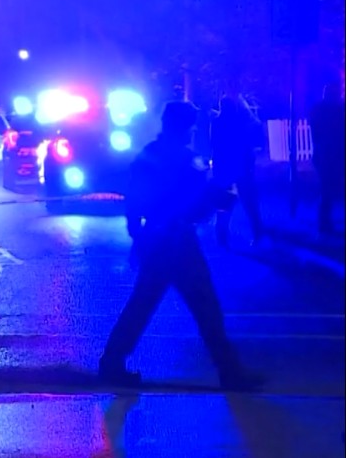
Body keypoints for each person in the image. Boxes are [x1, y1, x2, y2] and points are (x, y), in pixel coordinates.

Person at [100, 101, 264, 391]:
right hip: (178, 242)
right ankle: (230, 372)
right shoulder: (186, 159)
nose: (193, 131)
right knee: (206, 308)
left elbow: (135, 197)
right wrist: (221, 197)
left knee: (142, 305)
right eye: (190, 126)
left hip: (157, 240)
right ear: (182, 126)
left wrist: (137, 233)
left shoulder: (150, 154)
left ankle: (111, 363)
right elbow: (194, 203)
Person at [211, 94, 264, 246]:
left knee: (224, 204)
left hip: (225, 168)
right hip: (241, 168)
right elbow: (248, 146)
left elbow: (215, 146)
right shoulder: (240, 123)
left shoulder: (217, 122)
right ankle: (257, 234)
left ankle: (222, 237)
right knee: (249, 203)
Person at [308, 81, 345, 235]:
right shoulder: (339, 109)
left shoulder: (317, 109)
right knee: (330, 189)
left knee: (326, 189)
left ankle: (324, 223)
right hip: (335, 154)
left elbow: (315, 132)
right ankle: (324, 223)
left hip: (323, 154)